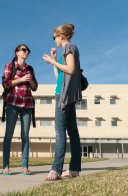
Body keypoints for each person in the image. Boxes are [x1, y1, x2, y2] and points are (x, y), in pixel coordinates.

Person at [42, 23, 82, 181]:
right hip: (67, 93)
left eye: (54, 37)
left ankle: (56, 169)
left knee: (60, 132)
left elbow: (70, 69)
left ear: (61, 36)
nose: (54, 40)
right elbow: (59, 76)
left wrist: (52, 62)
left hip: (63, 95)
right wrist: (53, 60)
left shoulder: (68, 48)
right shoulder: (67, 50)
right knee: (73, 132)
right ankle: (74, 169)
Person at [2, 44, 38, 175]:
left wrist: (30, 81)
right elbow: (6, 83)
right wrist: (21, 79)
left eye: (27, 50)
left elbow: (35, 87)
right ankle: (6, 166)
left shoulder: (30, 68)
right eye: (23, 50)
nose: (26, 52)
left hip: (27, 105)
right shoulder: (9, 66)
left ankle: (25, 166)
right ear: (17, 52)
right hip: (12, 103)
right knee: (8, 135)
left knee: (25, 136)